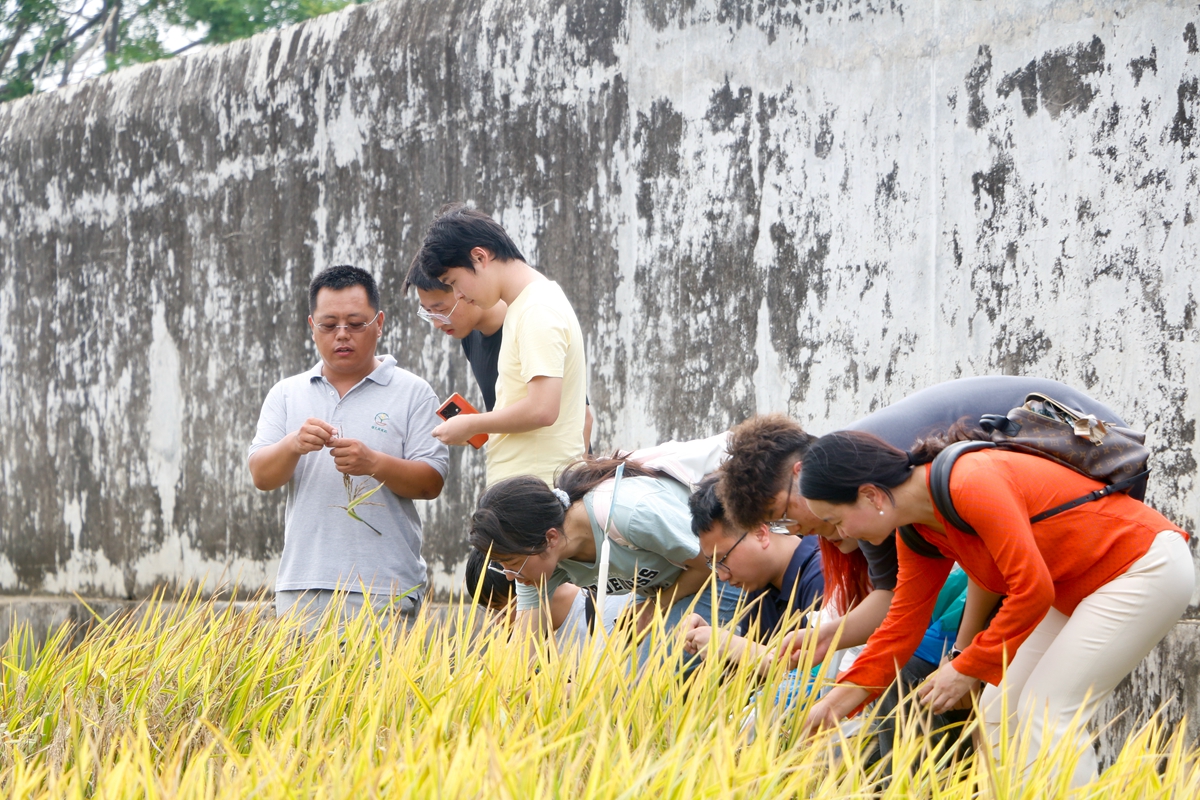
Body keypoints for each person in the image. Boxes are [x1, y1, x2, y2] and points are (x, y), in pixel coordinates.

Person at [797, 428, 1193, 787]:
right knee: (997, 710)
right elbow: (902, 624)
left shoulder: (970, 481)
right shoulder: (917, 531)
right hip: (1075, 589)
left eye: (836, 520)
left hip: (1141, 568)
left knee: (1047, 711)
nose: (840, 535)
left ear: (870, 494)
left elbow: (1031, 589)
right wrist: (835, 703)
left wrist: (967, 666)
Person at [717, 376, 1130, 670]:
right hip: (1064, 492)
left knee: (1026, 695)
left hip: (1093, 457)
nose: (799, 530)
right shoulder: (862, 499)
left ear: (799, 474)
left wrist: (966, 657)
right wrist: (824, 638)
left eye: (783, 515)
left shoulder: (865, 481)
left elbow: (987, 562)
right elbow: (896, 599)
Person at [248, 266, 449, 630]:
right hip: (302, 586)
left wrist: (374, 462)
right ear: (312, 326)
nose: (342, 335)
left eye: (356, 323)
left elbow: (431, 482)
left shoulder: (413, 392)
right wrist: (293, 444)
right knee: (300, 689)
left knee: (378, 689)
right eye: (329, 325)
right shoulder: (287, 393)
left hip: (384, 588)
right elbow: (261, 475)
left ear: (380, 322)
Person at [469, 457, 743, 654]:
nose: (508, 575)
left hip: (723, 574)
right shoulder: (537, 563)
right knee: (621, 676)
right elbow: (523, 650)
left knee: (649, 679)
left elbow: (710, 563)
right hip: (665, 587)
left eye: (513, 564)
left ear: (550, 538)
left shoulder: (631, 515)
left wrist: (653, 607)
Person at [410, 204, 588, 486]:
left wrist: (472, 424)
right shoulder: (524, 305)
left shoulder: (536, 308)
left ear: (480, 257)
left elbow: (543, 408)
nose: (459, 295)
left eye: (454, 282)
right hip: (523, 487)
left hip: (536, 489)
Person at [404, 263, 594, 443]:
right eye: (429, 313)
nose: (437, 324)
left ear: (461, 290)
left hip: (558, 472)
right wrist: (470, 429)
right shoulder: (470, 337)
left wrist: (471, 425)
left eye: (441, 310)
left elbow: (583, 418)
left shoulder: (532, 321)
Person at [681, 474, 824, 665]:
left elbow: (821, 669)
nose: (722, 576)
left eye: (722, 559)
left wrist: (732, 645)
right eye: (713, 565)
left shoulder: (822, 574)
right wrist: (716, 644)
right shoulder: (758, 586)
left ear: (760, 533)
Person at [464, 548, 635, 652]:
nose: (497, 622)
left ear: (526, 585)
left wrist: (526, 692)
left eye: (500, 609)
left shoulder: (610, 606)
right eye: (489, 611)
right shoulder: (526, 645)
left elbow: (616, 688)